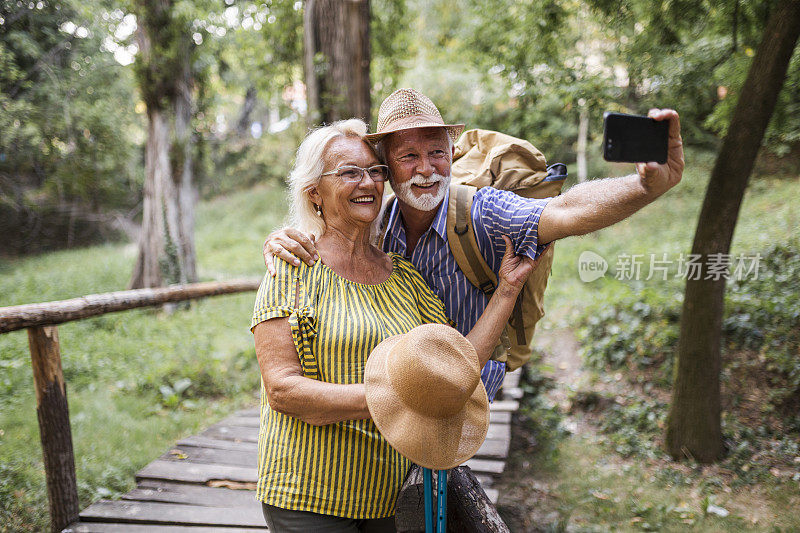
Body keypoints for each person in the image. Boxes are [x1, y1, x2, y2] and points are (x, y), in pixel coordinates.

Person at [262, 88, 686, 398]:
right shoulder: (380, 223)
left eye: (437, 152)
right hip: (400, 396)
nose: (427, 170)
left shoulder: (484, 212)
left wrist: (643, 187)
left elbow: (568, 210)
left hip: (469, 393)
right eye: (409, 156)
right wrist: (280, 239)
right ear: (387, 168)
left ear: (452, 153)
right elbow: (330, 233)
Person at [251, 118, 535, 532]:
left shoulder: (403, 276)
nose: (368, 182)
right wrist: (400, 398)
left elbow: (455, 365)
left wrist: (507, 291)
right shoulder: (292, 266)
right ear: (314, 192)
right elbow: (282, 389)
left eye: (376, 171)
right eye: (349, 172)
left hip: (390, 495)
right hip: (309, 493)